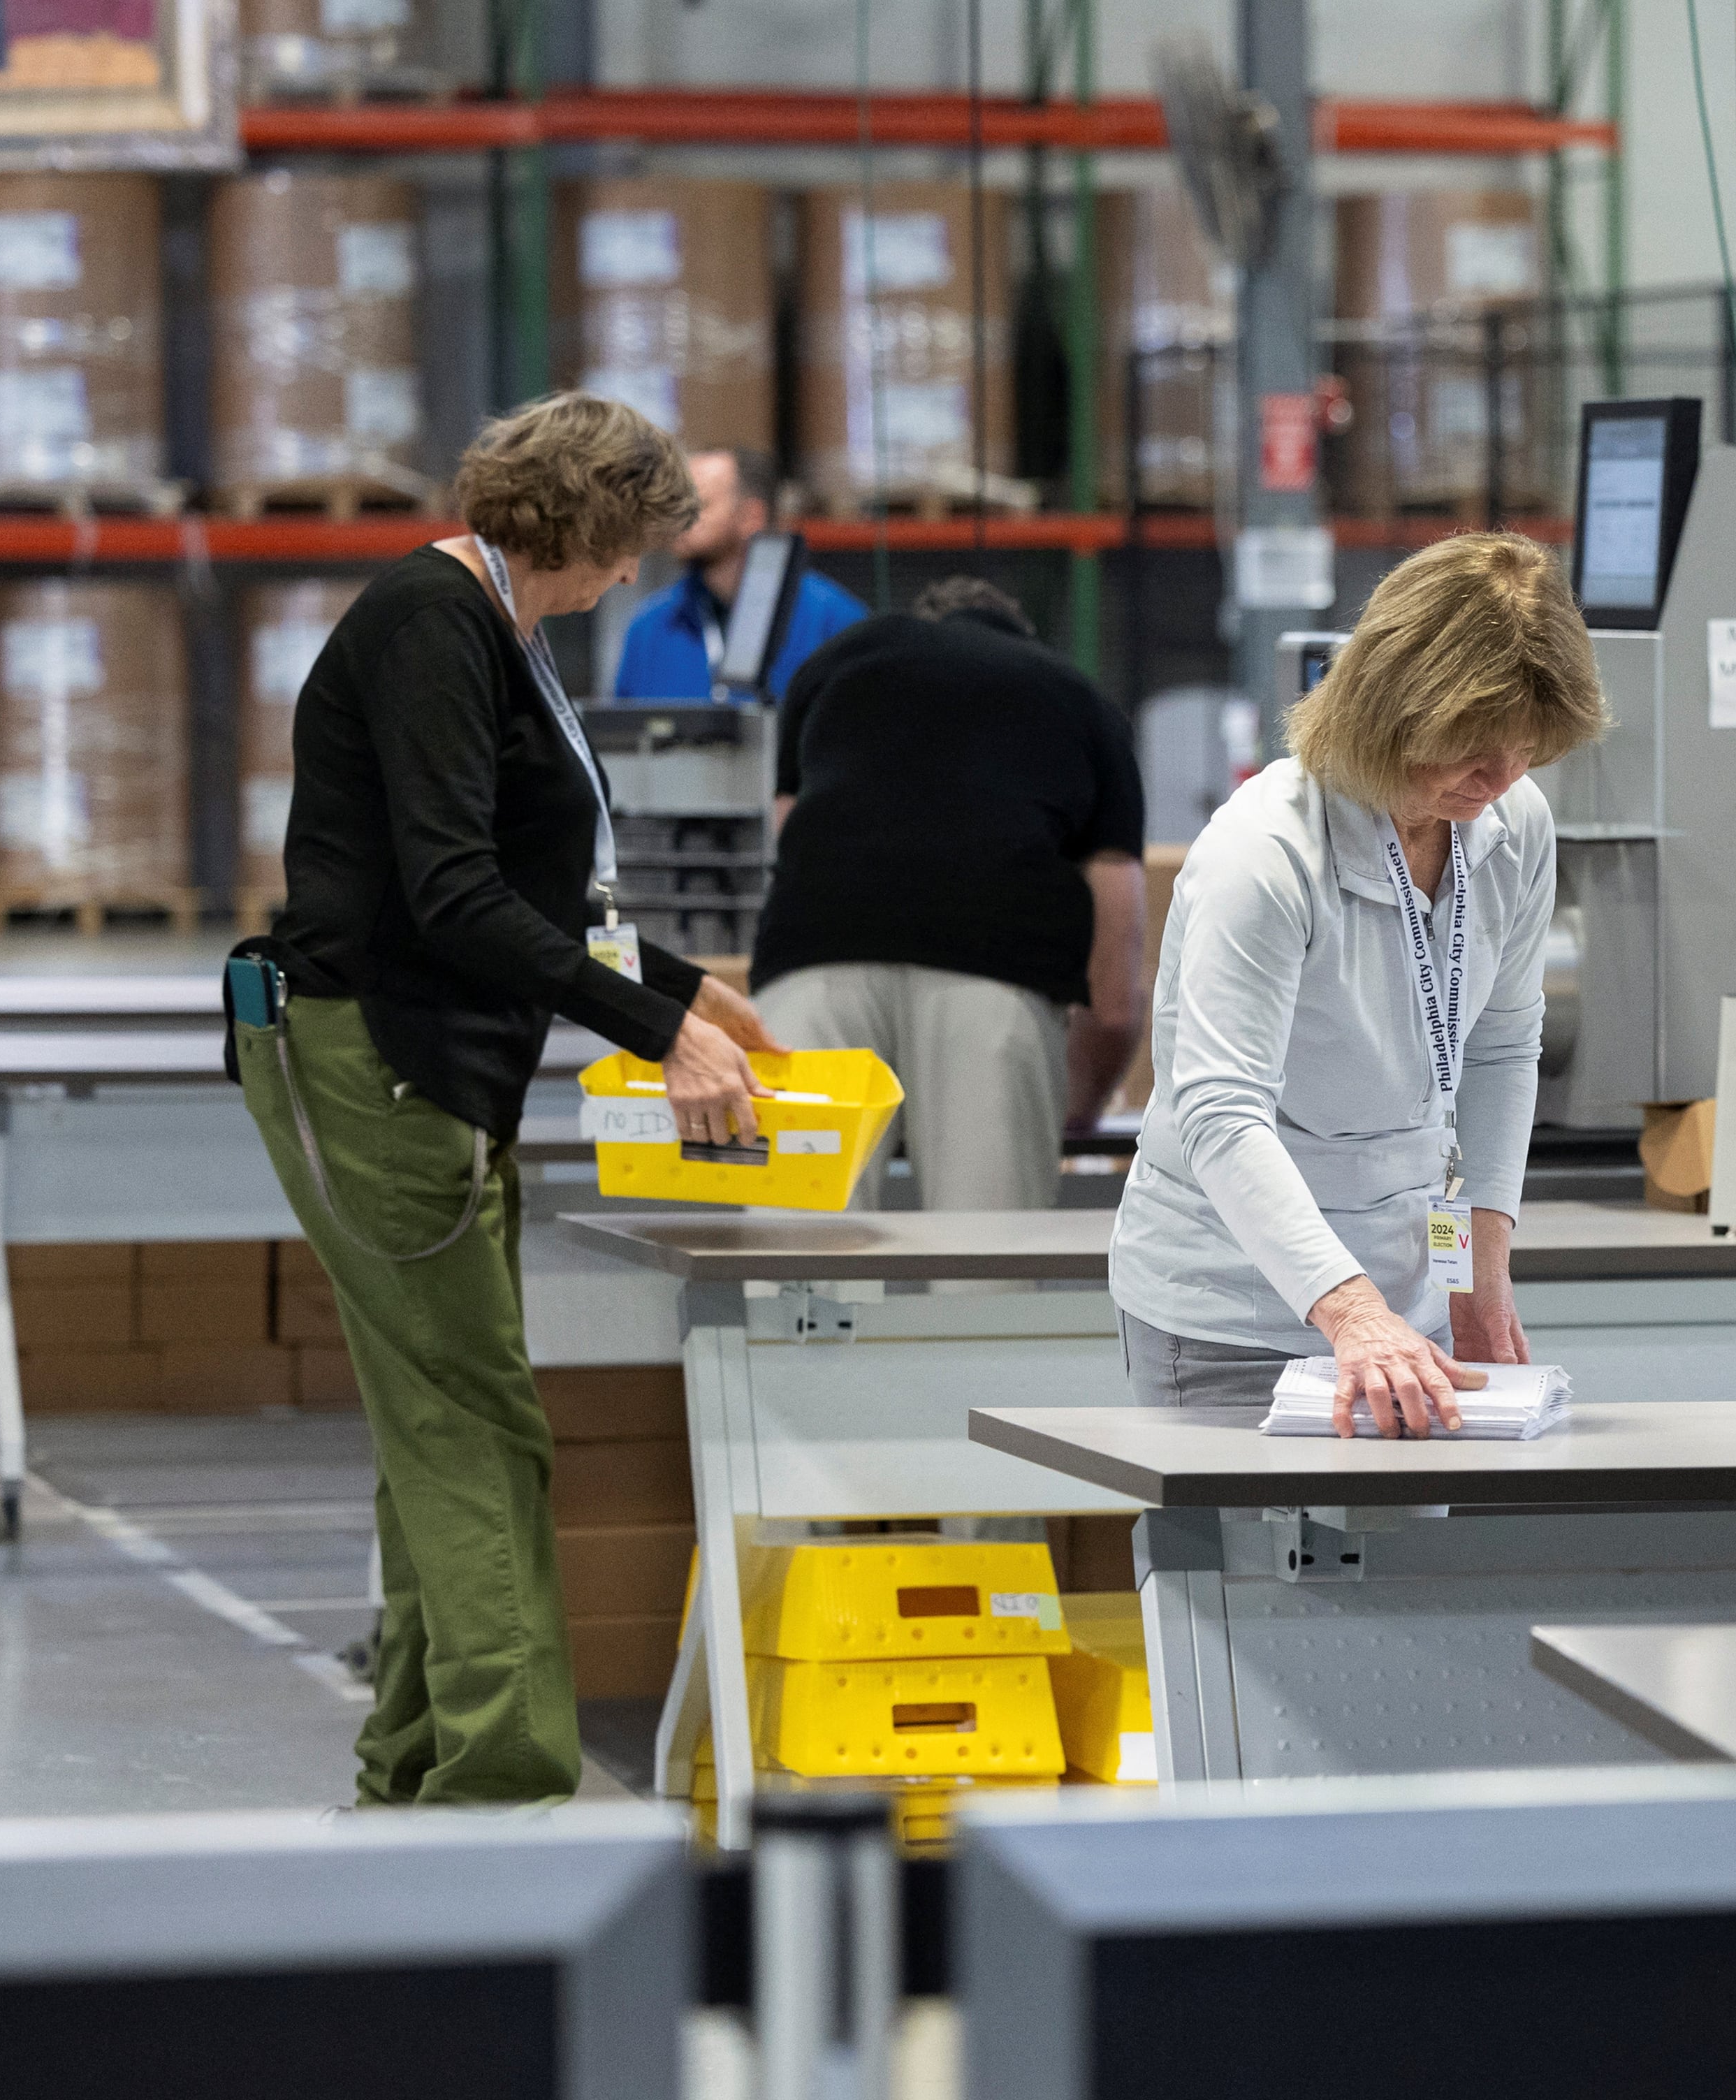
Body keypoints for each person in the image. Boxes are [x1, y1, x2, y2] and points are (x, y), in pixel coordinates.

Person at [233, 392, 785, 1804]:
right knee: (478, 1423)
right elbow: (454, 893)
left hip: (439, 1067)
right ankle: (504, 1778)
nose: (634, 578)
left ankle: (417, 1751)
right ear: (591, 525)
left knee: (440, 1415)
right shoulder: (436, 626)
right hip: (374, 1062)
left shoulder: (497, 633)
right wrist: (652, 1029)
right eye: (634, 548)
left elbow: (530, 888)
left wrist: (679, 981)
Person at [1108, 532, 1606, 1436]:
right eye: (1474, 749)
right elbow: (1221, 1110)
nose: (1500, 780)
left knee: (1400, 1568)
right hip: (1233, 1308)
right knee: (1245, 1576)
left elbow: (1499, 1046)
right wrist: (1350, 1311)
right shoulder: (1263, 853)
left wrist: (1480, 1275)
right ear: (1396, 707)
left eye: (1526, 750)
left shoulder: (1513, 825)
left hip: (1400, 1304)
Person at [752, 577, 1148, 1211]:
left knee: (801, 1254)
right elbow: (1116, 989)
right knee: (981, 1265)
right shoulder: (1081, 700)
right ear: (1021, 637)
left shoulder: (835, 663)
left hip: (813, 959)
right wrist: (1073, 1106)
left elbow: (789, 834)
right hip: (993, 977)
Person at [609, 444, 866, 702]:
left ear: (751, 516)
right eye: (675, 505)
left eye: (699, 506)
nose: (677, 519)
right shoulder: (649, 627)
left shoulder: (834, 621)